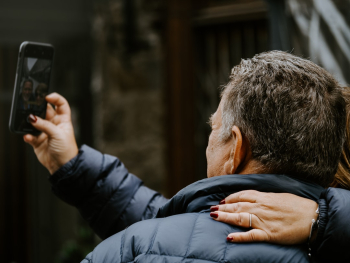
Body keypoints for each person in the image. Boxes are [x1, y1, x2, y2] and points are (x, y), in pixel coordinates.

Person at [24, 51, 348, 262]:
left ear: (236, 149)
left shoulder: (131, 252)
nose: (209, 140)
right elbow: (183, 236)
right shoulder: (332, 243)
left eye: (213, 127)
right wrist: (73, 163)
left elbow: (177, 241)